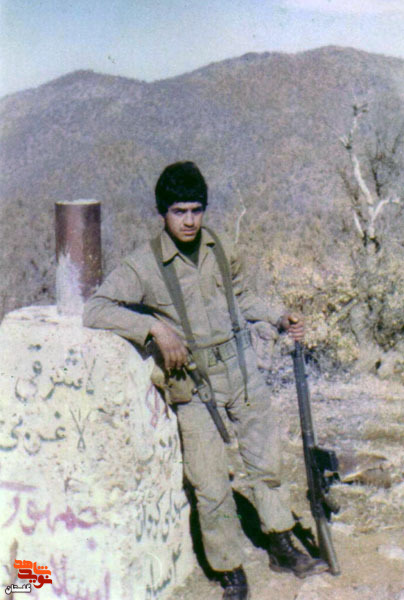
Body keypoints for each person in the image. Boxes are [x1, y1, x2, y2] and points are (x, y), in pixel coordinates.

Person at [83, 161, 328, 599]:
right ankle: (229, 567)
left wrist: (278, 315)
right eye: (179, 211)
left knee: (267, 464)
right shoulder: (143, 265)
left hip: (240, 369)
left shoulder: (220, 247)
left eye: (197, 210)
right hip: (194, 383)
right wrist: (154, 328)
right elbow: (96, 309)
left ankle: (280, 541)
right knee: (211, 483)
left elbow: (242, 297)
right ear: (163, 213)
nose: (190, 221)